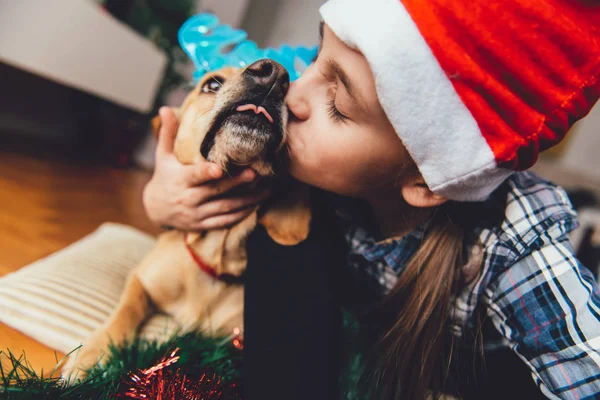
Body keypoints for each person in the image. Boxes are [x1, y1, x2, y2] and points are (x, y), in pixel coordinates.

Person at [143, 0, 600, 398]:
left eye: (339, 105)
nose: (293, 91)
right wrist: (162, 200)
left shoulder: (515, 245)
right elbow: (198, 138)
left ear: (426, 183)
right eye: (317, 56)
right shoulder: (302, 163)